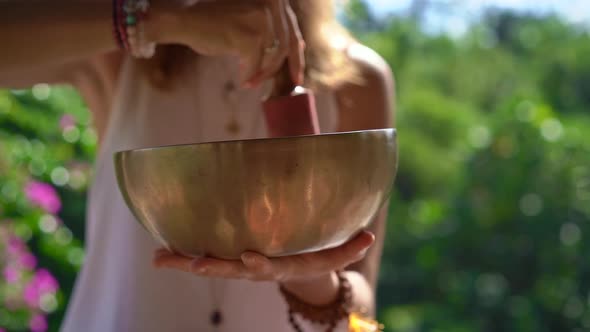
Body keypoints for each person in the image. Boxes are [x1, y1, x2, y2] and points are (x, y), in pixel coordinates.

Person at [0, 0, 395, 331]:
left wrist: (309, 276)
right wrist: (161, 20)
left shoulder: (358, 79)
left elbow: (363, 312)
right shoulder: (119, 50)